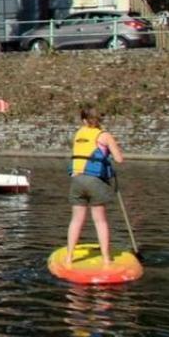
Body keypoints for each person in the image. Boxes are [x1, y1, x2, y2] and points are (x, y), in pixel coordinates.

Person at [65, 105, 125, 268]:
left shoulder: (78, 133)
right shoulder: (104, 135)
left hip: (77, 181)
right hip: (95, 181)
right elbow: (119, 159)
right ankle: (106, 259)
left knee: (76, 220)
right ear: (101, 119)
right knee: (100, 221)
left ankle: (69, 257)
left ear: (84, 120)